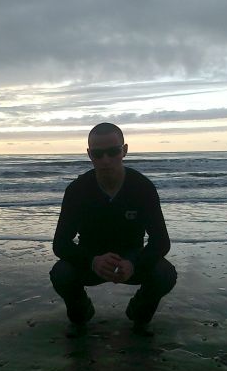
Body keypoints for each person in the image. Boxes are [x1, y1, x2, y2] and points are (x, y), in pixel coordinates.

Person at [49, 123, 177, 335]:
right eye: (98, 154)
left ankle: (139, 314)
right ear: (89, 154)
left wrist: (133, 264)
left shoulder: (142, 187)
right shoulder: (76, 191)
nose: (105, 160)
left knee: (165, 273)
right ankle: (81, 313)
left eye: (113, 152)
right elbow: (60, 244)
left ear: (124, 150)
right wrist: (93, 261)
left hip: (133, 257)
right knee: (61, 273)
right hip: (90, 258)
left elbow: (161, 242)